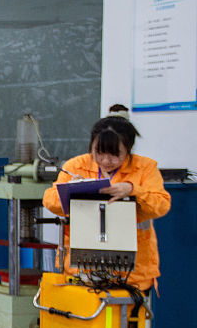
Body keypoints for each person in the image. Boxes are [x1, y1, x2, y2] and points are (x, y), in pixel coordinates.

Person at [42, 115, 170, 292]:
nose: (106, 161)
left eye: (115, 155)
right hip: (81, 269)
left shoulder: (145, 168)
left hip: (132, 273)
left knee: (125, 318)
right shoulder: (76, 166)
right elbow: (49, 200)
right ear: (91, 146)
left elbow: (161, 204)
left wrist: (133, 190)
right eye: (99, 153)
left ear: (128, 149)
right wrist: (72, 189)